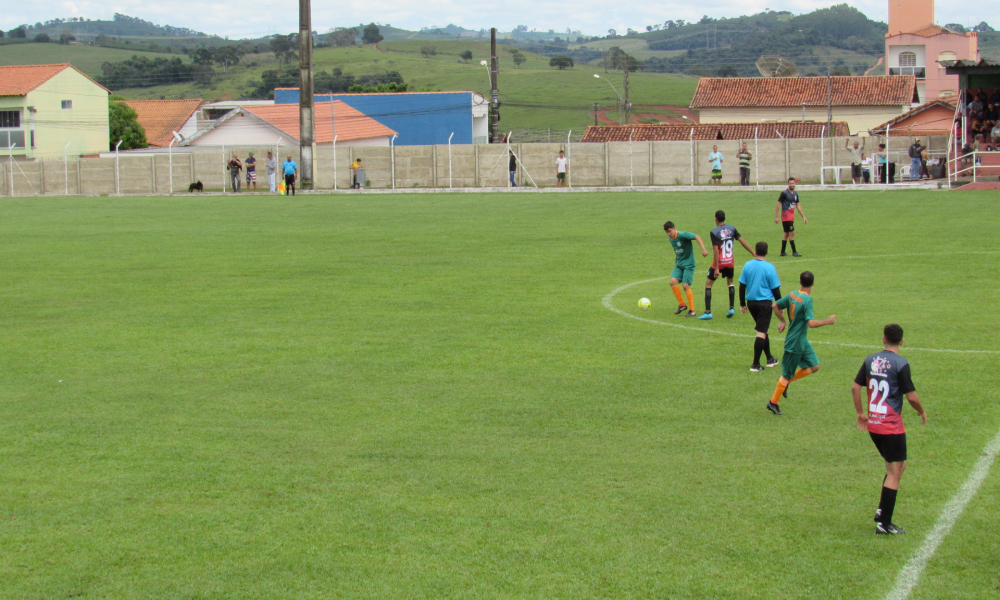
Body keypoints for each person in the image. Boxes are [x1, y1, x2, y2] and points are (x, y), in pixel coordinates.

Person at [852, 324, 927, 535]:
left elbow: (855, 387)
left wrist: (860, 413)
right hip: (891, 427)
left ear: (883, 339)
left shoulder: (870, 360)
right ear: (902, 341)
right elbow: (911, 396)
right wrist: (921, 411)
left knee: (899, 467)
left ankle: (881, 510)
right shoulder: (901, 364)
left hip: (874, 425)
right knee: (895, 473)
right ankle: (884, 524)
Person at [766, 271, 836, 415]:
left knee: (815, 366)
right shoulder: (807, 300)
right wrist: (827, 321)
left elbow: (775, 306)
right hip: (795, 343)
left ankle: (787, 383)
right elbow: (811, 323)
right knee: (786, 375)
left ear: (800, 281)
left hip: (801, 340)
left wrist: (783, 321)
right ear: (813, 283)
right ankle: (773, 402)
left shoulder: (792, 294)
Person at [699, 210, 755, 320]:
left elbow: (716, 250)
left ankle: (708, 312)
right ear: (725, 218)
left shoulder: (714, 232)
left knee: (708, 284)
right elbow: (742, 241)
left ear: (716, 219)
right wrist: (753, 252)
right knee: (730, 282)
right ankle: (731, 308)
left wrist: (716, 268)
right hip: (730, 262)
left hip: (719, 263)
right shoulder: (732, 228)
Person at [738, 241, 782, 372]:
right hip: (764, 304)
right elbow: (775, 289)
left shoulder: (747, 265)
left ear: (755, 252)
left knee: (763, 329)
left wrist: (742, 303)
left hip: (751, 304)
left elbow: (742, 285)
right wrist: (780, 305)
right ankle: (755, 364)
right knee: (761, 332)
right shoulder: (769, 267)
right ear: (767, 252)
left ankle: (770, 358)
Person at [664, 220, 709, 318]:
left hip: (688, 264)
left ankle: (692, 310)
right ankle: (682, 305)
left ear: (674, 228)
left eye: (670, 231)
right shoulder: (671, 239)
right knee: (672, 281)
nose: (669, 234)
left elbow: (697, 237)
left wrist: (703, 249)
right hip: (679, 265)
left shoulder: (683, 235)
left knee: (685, 285)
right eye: (667, 232)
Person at [775, 177, 807, 257]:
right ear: (788, 184)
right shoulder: (784, 193)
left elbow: (798, 205)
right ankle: (794, 252)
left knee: (786, 233)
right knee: (792, 232)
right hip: (786, 217)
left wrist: (803, 216)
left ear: (795, 184)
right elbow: (778, 204)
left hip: (791, 217)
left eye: (793, 183)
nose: (792, 185)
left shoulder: (795, 194)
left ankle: (782, 252)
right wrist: (777, 216)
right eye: (790, 183)